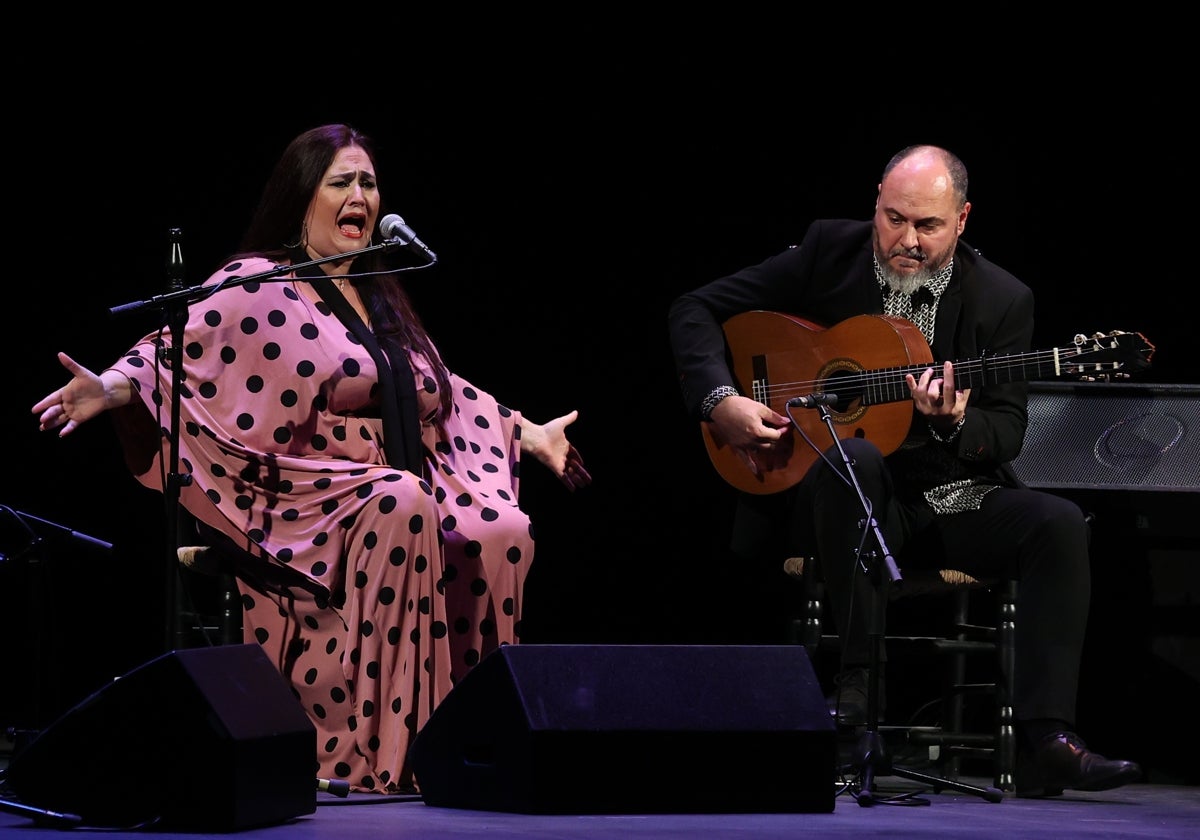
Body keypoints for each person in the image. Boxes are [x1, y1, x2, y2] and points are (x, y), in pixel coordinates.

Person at [32, 123, 591, 795]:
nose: (361, 195)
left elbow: (444, 391)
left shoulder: (383, 293)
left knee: (500, 531)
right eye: (341, 182)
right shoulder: (259, 281)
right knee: (403, 502)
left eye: (369, 183)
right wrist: (112, 387)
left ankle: (472, 746)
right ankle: (385, 757)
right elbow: (176, 350)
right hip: (306, 498)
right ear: (303, 197)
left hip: (397, 491)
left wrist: (530, 434)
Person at [666, 144, 1141, 797]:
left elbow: (1004, 432)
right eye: (893, 219)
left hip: (948, 497)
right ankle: (856, 702)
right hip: (835, 500)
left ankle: (1048, 739)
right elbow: (694, 307)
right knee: (856, 458)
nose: (906, 241)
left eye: (928, 225)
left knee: (1056, 523)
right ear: (876, 206)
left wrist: (949, 423)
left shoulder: (1002, 300)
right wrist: (720, 402)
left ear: (963, 219)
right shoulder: (830, 251)